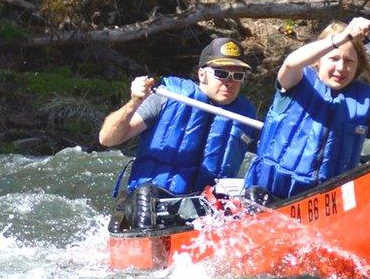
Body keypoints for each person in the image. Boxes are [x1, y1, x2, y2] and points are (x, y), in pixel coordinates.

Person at [243, 18, 370, 201]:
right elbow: (290, 63)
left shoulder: (364, 108)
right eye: (334, 59)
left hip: (328, 203)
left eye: (349, 61)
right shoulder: (294, 83)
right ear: (317, 61)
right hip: (268, 196)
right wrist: (342, 37)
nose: (341, 68)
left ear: (358, 67)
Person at [99, 38, 258, 228]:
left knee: (256, 195)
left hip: (208, 209)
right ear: (202, 74)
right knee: (146, 196)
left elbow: (266, 161)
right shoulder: (165, 98)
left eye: (237, 76)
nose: (229, 83)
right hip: (152, 203)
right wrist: (135, 102)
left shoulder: (247, 116)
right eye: (222, 74)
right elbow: (107, 139)